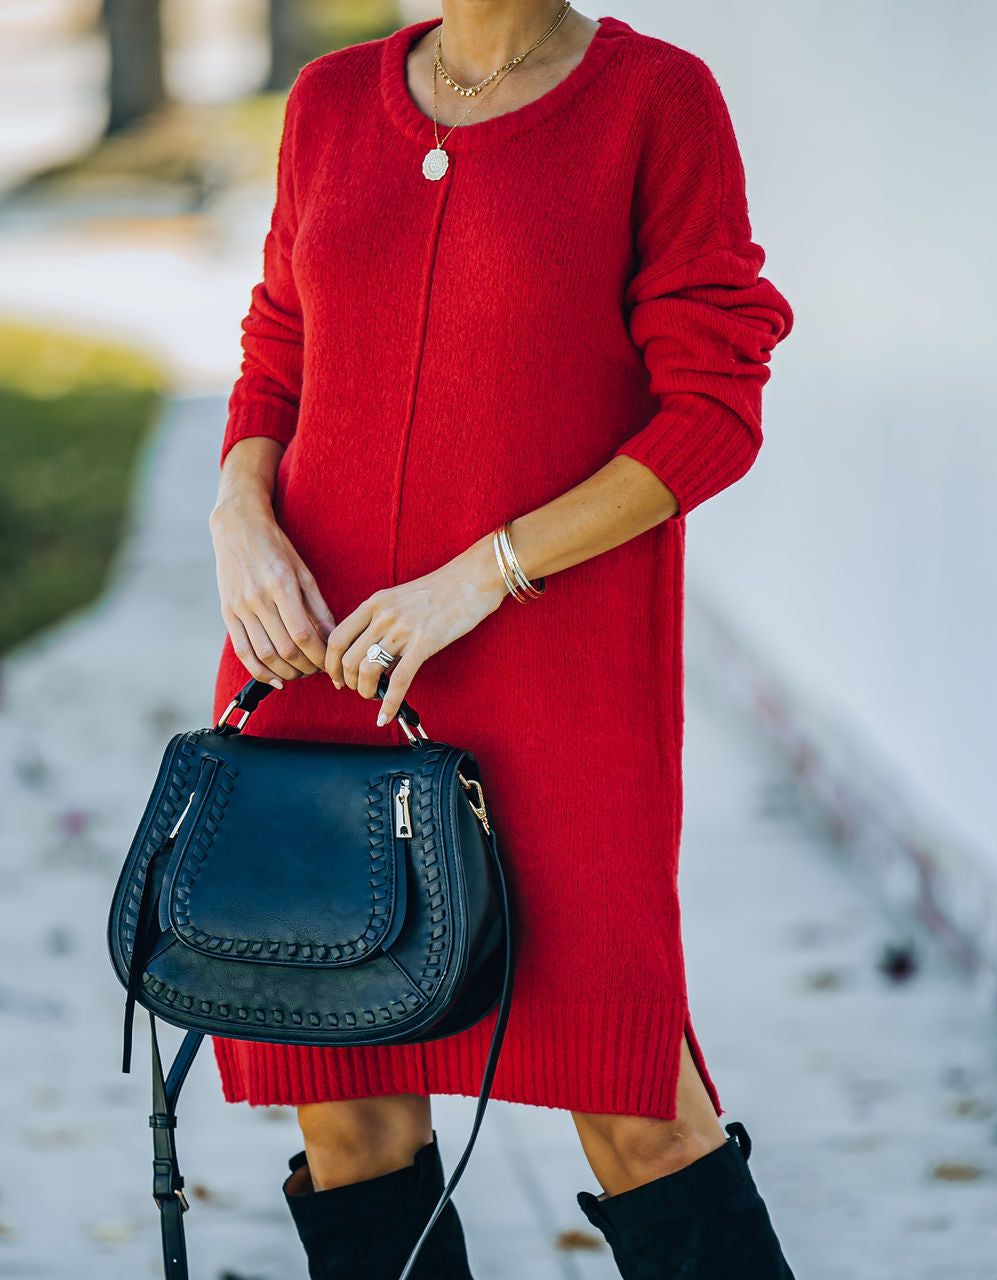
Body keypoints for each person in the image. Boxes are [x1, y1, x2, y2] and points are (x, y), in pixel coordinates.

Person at [207, 2, 796, 1276]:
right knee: (352, 1117)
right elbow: (277, 351)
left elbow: (713, 406)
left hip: (556, 680)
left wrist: (485, 573)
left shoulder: (654, 101)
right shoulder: (325, 103)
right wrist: (237, 516)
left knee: (639, 1113)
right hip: (324, 667)